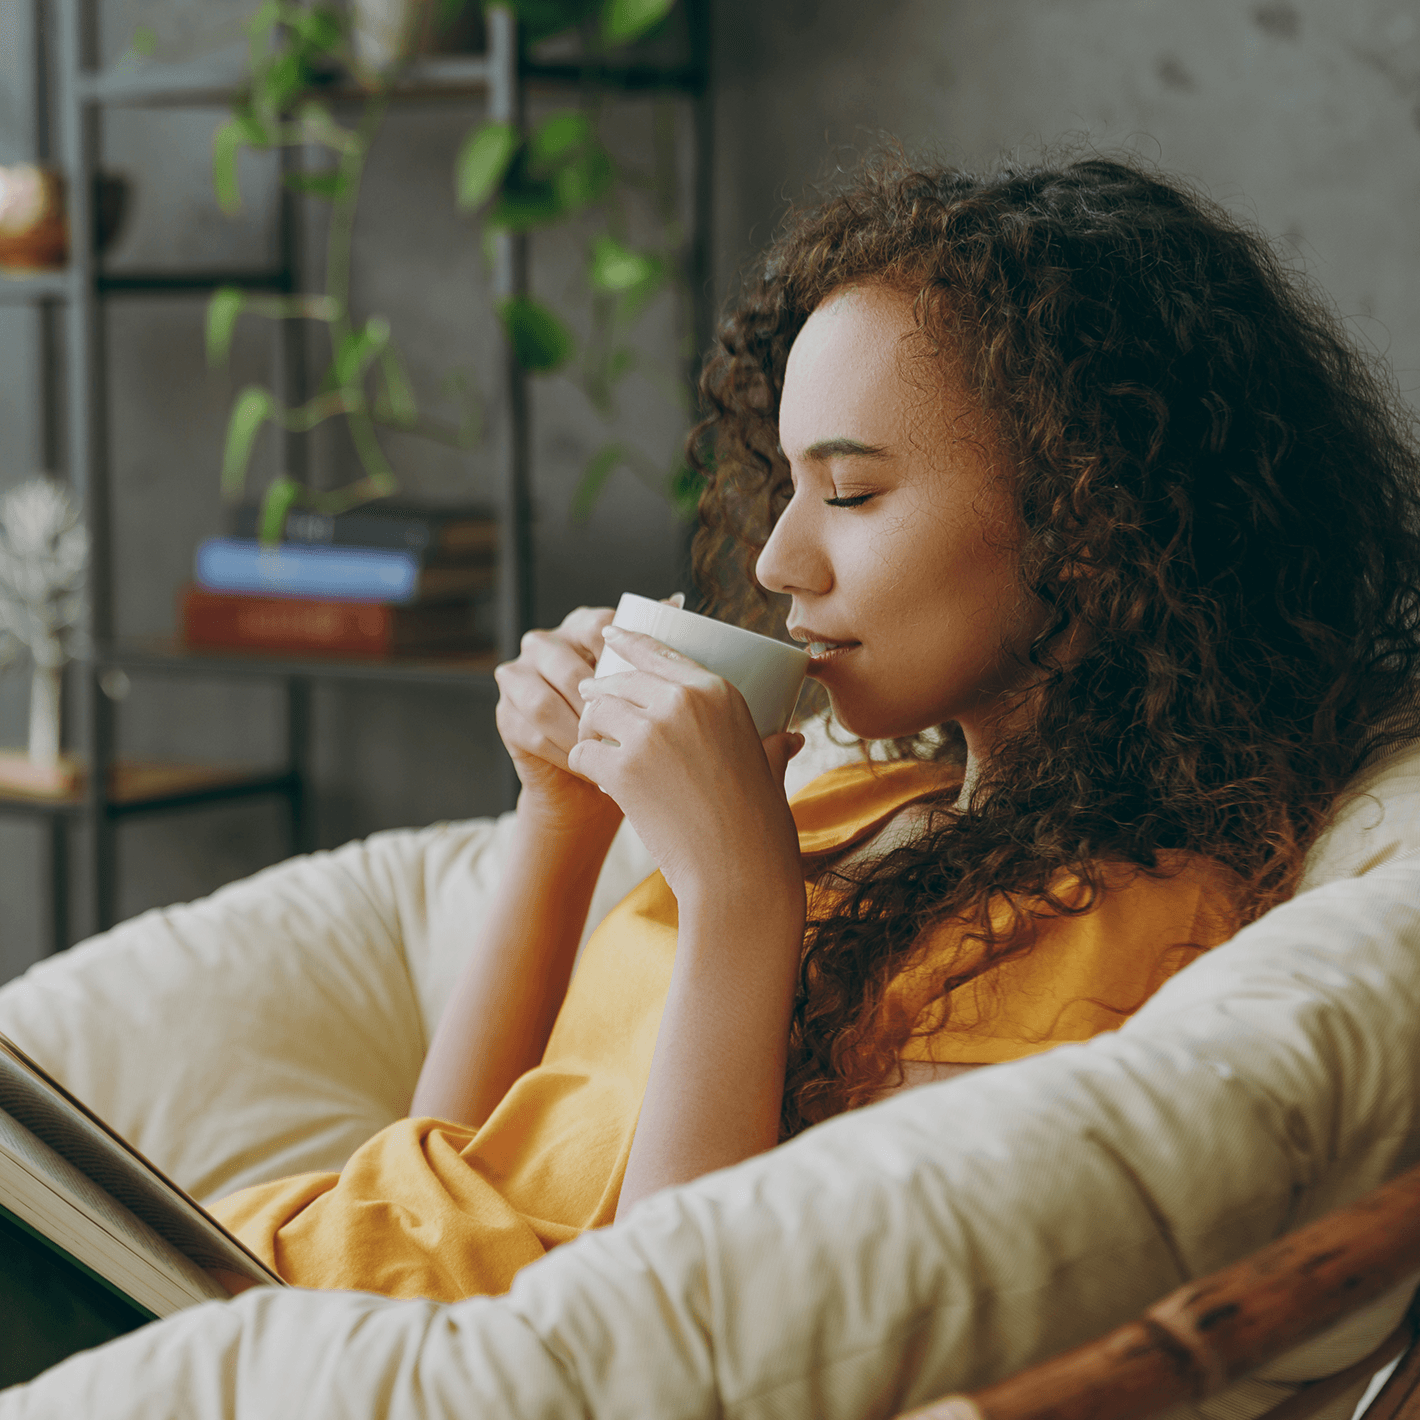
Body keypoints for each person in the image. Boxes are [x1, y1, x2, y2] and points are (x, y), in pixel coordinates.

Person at [207, 154, 1420, 1302]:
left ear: (1092, 521)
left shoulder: (1108, 932)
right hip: (270, 1282)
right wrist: (558, 815)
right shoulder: (856, 801)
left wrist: (741, 899)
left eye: (849, 493)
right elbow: (451, 1168)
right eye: (784, 483)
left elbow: (688, 1341)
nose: (779, 558)